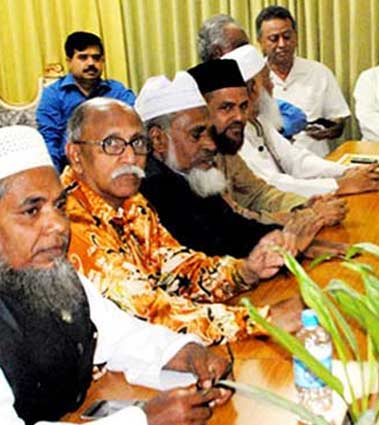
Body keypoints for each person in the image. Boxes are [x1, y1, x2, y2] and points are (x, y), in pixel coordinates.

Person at [0, 125, 233, 424]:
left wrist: (188, 353)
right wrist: (143, 420)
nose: (58, 225)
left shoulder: (52, 274)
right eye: (32, 211)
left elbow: (121, 335)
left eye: (59, 206)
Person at [62, 97, 302, 344]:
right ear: (76, 155)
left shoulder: (131, 203)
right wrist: (259, 321)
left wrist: (245, 271)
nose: (130, 157)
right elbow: (148, 313)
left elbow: (178, 270)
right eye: (112, 144)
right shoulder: (68, 223)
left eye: (137, 142)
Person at [136, 71, 324, 258]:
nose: (211, 144)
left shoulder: (193, 172)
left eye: (210, 132)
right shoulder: (150, 189)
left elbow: (233, 227)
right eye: (197, 135)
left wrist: (287, 238)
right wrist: (288, 242)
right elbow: (209, 250)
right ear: (158, 139)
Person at [186, 59, 348, 226]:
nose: (240, 117)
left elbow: (258, 193)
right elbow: (232, 221)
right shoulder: (188, 158)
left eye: (243, 106)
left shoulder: (224, 145)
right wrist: (308, 216)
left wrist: (305, 204)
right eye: (226, 108)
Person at [223, 44, 379, 197]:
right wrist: (340, 185)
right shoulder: (233, 132)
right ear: (253, 88)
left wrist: (346, 171)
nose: (272, 86)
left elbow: (295, 159)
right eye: (268, 80)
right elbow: (270, 184)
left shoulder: (258, 121)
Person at [256, 5, 351, 157]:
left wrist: (330, 129)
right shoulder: (253, 78)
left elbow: (338, 120)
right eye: (274, 39)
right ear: (260, 41)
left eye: (287, 37)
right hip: (270, 163)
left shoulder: (319, 72)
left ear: (296, 37)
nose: (282, 44)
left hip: (317, 162)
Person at [36, 31, 136, 171]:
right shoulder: (54, 95)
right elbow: (50, 141)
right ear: (69, 61)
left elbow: (135, 124)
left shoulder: (116, 91)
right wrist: (55, 177)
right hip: (72, 168)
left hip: (115, 163)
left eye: (96, 58)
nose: (91, 63)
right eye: (83, 57)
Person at [197, 14, 308, 139]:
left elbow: (295, 116)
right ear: (217, 53)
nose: (248, 51)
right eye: (240, 47)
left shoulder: (258, 98)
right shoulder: (205, 107)